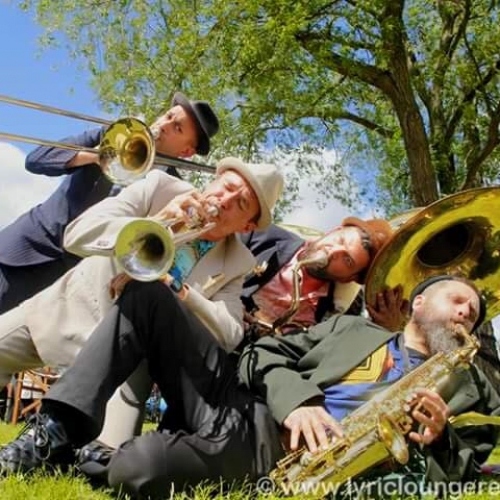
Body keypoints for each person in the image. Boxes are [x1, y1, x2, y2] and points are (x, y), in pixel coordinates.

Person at [1, 274, 497, 499]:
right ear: (417, 304)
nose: (465, 313)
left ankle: (101, 458)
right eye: (457, 300)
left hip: (267, 458)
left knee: (139, 468)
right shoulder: (352, 328)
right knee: (150, 294)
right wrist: (298, 402)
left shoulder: (469, 386)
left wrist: (440, 440)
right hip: (253, 406)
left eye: (472, 314)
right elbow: (261, 353)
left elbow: (467, 470)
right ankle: (55, 434)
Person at [0, 92, 219, 314]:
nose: (165, 125)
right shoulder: (114, 134)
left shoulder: (172, 190)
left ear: (186, 151)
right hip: (24, 251)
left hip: (66, 287)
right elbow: (37, 159)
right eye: (168, 116)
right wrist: (99, 155)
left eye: (177, 128)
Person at [240, 219, 403, 337]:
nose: (332, 251)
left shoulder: (336, 316)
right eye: (340, 240)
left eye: (347, 260)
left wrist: (385, 330)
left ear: (348, 278)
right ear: (333, 231)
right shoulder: (263, 235)